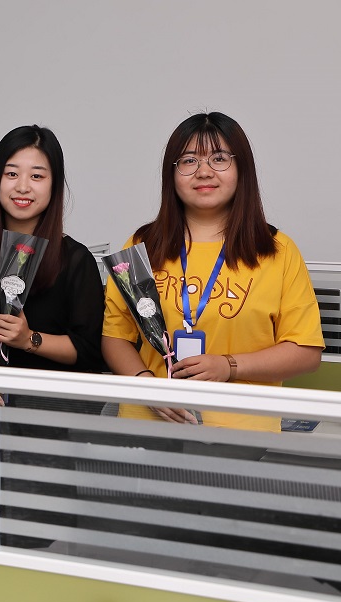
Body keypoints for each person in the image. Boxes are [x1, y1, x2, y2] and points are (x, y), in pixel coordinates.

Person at [102, 111, 322, 431]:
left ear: (241, 168)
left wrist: (229, 366)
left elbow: (305, 352)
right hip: (147, 426)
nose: (204, 171)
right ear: (172, 173)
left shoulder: (278, 250)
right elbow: (114, 338)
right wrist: (146, 386)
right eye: (189, 160)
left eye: (219, 158)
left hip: (242, 433)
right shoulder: (143, 245)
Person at [0, 125, 106, 388]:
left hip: (51, 405)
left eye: (37, 176)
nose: (23, 186)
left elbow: (90, 351)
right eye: (11, 174)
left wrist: (29, 339)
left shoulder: (75, 260)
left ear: (54, 184)